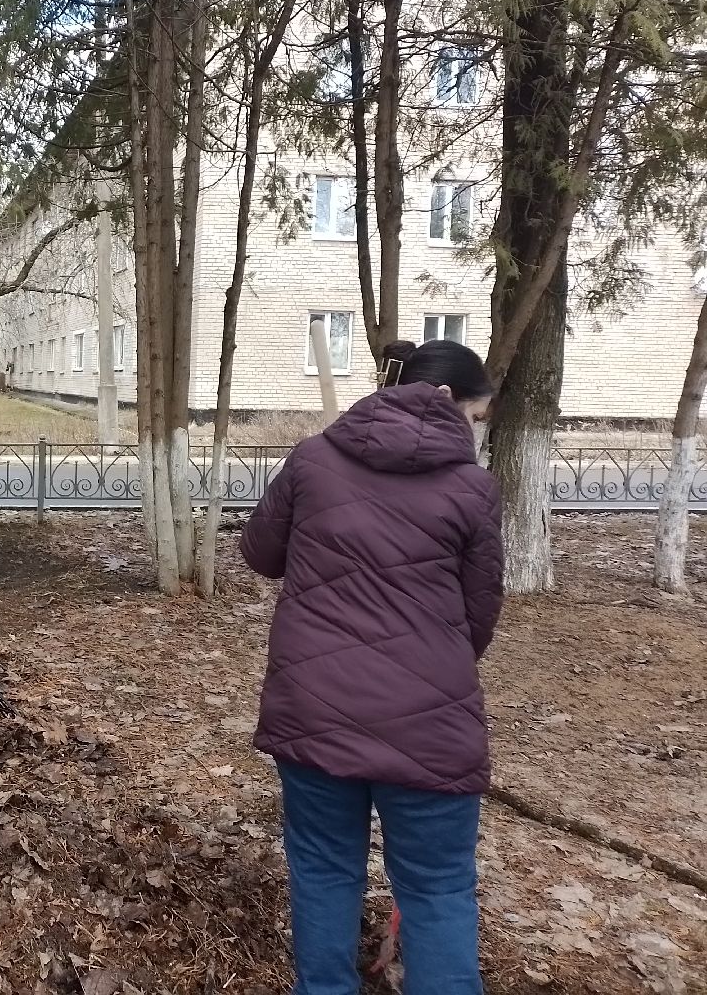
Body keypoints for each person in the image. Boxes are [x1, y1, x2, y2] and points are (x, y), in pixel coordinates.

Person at [239, 339, 504, 995]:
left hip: (315, 711)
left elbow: (259, 553)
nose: (473, 431)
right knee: (438, 888)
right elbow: (478, 619)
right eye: (477, 416)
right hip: (431, 728)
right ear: (447, 401)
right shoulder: (472, 488)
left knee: (324, 870)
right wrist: (426, 671)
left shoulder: (313, 459)